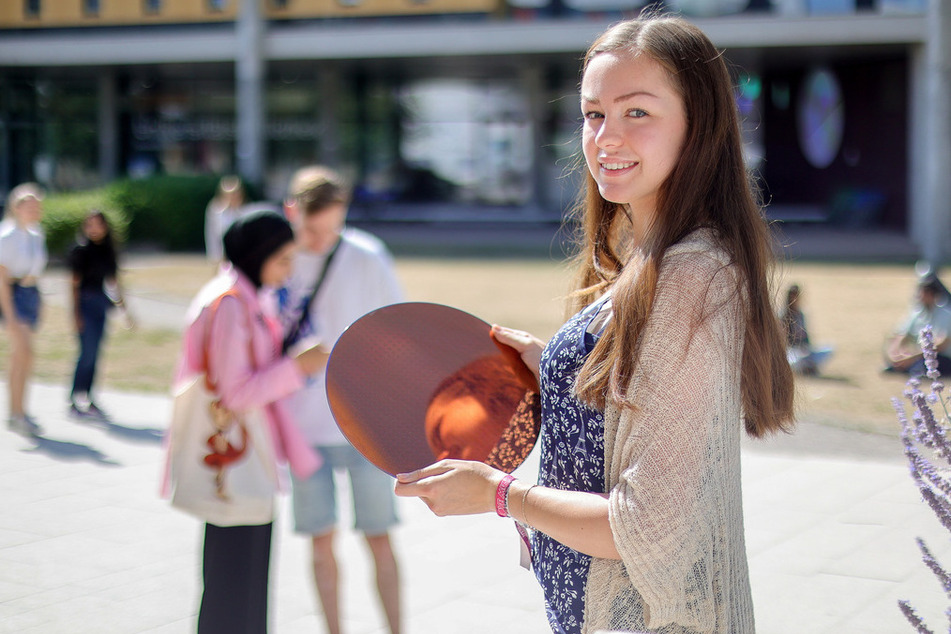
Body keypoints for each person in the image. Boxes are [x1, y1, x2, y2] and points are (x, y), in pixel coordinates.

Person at [395, 15, 795, 634]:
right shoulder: (649, 251)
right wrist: (560, 363)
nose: (606, 137)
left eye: (637, 112)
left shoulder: (693, 276)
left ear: (701, 126)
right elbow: (636, 389)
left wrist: (500, 494)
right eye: (592, 114)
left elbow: (648, 525)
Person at [173, 210, 328, 633]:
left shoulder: (239, 296)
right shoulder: (230, 304)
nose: (289, 270)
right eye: (283, 259)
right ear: (258, 255)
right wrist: (298, 367)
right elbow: (235, 392)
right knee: (236, 584)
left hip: (242, 455)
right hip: (237, 454)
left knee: (237, 581)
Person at [279, 165, 403, 634]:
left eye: (331, 228)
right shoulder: (281, 260)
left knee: (379, 536)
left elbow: (398, 331)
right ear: (292, 212)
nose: (319, 240)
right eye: (312, 229)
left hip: (363, 425)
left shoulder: (367, 256)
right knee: (319, 541)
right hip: (303, 427)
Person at [67, 210, 132, 420]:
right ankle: (75, 397)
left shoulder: (108, 250)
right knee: (86, 352)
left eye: (98, 224)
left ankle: (90, 395)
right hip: (85, 303)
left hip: (100, 303)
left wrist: (125, 309)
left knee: (96, 353)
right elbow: (74, 285)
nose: (94, 229)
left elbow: (114, 282)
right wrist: (75, 313)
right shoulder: (80, 251)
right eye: (90, 225)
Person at [0, 183, 48, 437]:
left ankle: (19, 410)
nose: (34, 209)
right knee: (22, 352)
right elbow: (2, 278)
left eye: (36, 205)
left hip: (30, 293)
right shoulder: (6, 236)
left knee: (26, 357)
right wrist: (9, 315)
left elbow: (36, 271)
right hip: (12, 294)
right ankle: (16, 413)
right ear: (16, 207)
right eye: (28, 205)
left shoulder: (37, 234)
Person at [884, 274, 951, 376]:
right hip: (918, 355)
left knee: (923, 364)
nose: (919, 297)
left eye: (922, 293)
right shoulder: (917, 313)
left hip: (939, 358)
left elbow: (941, 345)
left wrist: (912, 357)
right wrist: (895, 354)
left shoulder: (946, 314)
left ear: (931, 295)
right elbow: (901, 335)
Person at [781, 283, 833, 376]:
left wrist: (807, 347)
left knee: (828, 349)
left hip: (805, 350)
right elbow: (783, 341)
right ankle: (807, 367)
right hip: (792, 351)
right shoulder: (783, 315)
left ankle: (808, 365)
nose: (795, 300)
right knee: (794, 359)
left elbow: (805, 335)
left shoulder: (801, 315)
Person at [204, 175, 247, 262]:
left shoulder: (245, 211)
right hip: (222, 255)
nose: (233, 197)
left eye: (236, 194)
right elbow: (213, 234)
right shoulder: (216, 210)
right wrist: (215, 254)